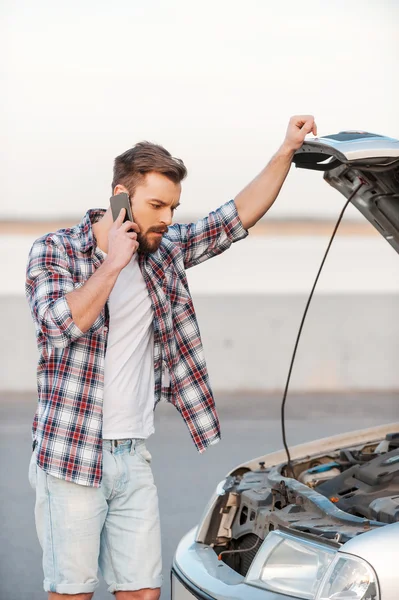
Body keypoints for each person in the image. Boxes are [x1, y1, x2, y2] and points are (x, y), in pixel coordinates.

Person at [26, 115, 317, 600]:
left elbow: (235, 217)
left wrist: (286, 150)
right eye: (156, 204)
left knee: (143, 592)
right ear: (120, 195)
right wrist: (113, 263)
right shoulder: (55, 250)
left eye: (173, 206)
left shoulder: (164, 250)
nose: (167, 217)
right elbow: (60, 323)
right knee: (71, 594)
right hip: (69, 455)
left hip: (132, 455)